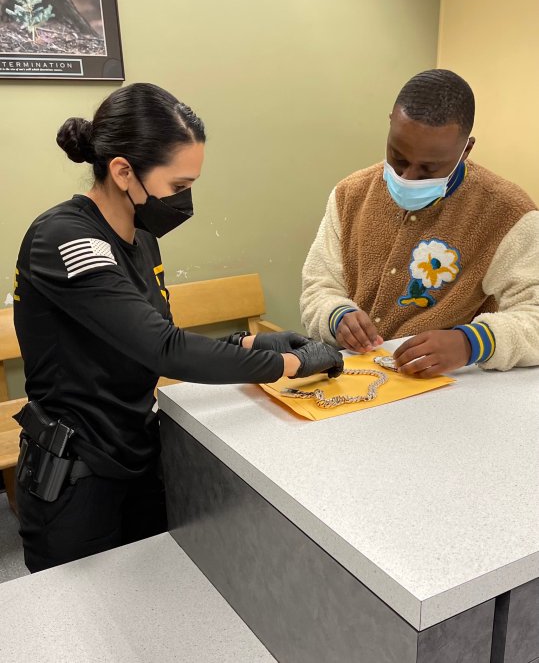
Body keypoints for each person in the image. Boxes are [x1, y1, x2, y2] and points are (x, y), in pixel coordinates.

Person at [13, 82, 343, 573]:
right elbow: (163, 348)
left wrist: (250, 341)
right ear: (124, 171)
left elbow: (145, 338)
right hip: (78, 473)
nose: (185, 202)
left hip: (136, 449)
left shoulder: (141, 239)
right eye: (179, 187)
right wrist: (287, 364)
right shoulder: (64, 239)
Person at [301, 69, 539, 376]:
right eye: (398, 158)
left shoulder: (507, 214)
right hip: (350, 382)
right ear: (390, 123)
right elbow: (317, 289)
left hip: (446, 397)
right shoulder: (350, 194)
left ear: (465, 150)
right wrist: (336, 315)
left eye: (428, 169)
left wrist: (471, 343)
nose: (407, 177)